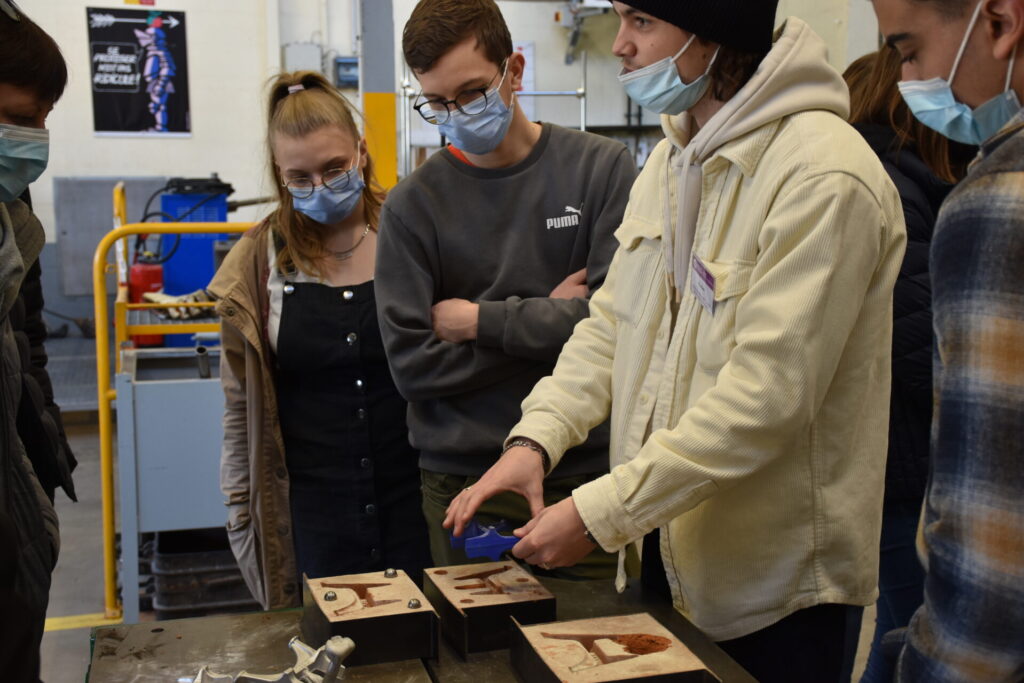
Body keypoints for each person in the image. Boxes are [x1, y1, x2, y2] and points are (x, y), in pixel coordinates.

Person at [445, 2, 907, 681]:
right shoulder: (670, 159)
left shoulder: (823, 176)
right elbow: (611, 328)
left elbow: (765, 402)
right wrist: (535, 439)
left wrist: (604, 510)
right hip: (665, 552)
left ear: (714, 33)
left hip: (774, 594)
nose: (620, 47)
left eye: (640, 23)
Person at [374, 0, 637, 577]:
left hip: (587, 472)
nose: (457, 114)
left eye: (471, 93)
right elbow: (414, 368)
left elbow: (619, 329)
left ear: (513, 71)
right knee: (483, 659)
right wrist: (549, 320)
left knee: (605, 651)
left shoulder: (601, 171)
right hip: (465, 481)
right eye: (438, 103)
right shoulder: (412, 207)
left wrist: (476, 322)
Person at [209, 71, 430, 610]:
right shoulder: (258, 265)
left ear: (361, 151)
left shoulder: (412, 233)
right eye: (300, 177)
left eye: (335, 168)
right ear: (280, 177)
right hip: (314, 518)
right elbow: (241, 409)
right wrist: (242, 511)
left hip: (419, 503)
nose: (321, 187)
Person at [870, 0, 1024, 680]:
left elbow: (989, 557)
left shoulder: (998, 204)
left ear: (1000, 22)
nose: (909, 78)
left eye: (908, 51)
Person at [843, 48, 971, 683]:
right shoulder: (896, 184)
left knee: (895, 635)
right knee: (915, 627)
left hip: (885, 459)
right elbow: (918, 346)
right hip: (899, 466)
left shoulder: (883, 176)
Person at [0, 1, 76, 680]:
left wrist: (45, 447)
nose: (32, 139)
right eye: (18, 119)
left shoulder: (15, 219)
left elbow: (29, 345)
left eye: (41, 120)